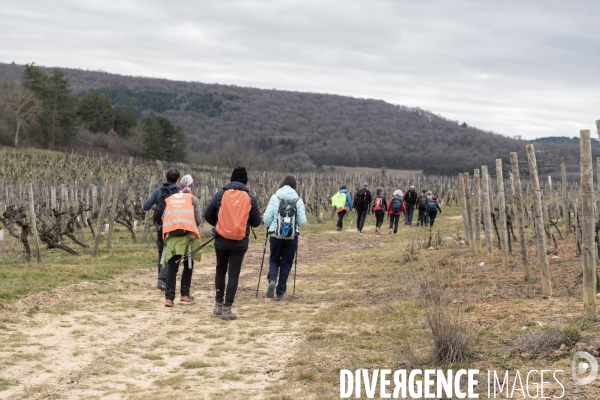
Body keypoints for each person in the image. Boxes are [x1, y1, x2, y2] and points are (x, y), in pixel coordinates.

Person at [204, 167, 262, 320]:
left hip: (221, 239)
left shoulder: (220, 195)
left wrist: (218, 225)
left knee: (220, 270)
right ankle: (227, 309)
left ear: (231, 179)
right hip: (240, 242)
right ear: (245, 181)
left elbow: (207, 214)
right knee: (233, 274)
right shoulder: (251, 198)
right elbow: (257, 222)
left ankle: (217, 305)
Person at [262, 175, 307, 301]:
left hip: (275, 235)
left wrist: (270, 224)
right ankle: (280, 292)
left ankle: (272, 279)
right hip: (291, 237)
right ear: (294, 186)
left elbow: (267, 218)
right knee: (286, 263)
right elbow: (302, 221)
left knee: (274, 259)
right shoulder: (298, 200)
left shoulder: (275, 197)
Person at [162, 174, 203, 307]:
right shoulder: (193, 199)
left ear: (180, 186)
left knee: (172, 267)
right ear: (192, 186)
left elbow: (164, 217)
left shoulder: (171, 198)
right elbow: (199, 220)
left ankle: (169, 298)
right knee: (188, 264)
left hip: (172, 236)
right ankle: (185, 294)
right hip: (187, 237)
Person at [143, 168, 180, 290]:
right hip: (174, 228)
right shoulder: (180, 193)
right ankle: (163, 279)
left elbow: (146, 206)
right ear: (177, 179)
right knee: (172, 254)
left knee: (162, 254)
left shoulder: (158, 191)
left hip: (160, 227)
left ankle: (160, 279)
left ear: (166, 177)